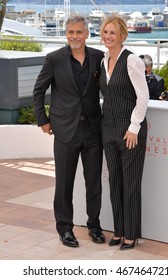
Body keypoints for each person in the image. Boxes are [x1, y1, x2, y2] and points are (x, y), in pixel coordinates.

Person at [33, 15, 105, 248]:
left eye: (79, 32)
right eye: (70, 32)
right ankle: (65, 228)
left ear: (86, 34)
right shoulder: (54, 59)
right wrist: (42, 120)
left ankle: (94, 225)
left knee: (94, 182)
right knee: (64, 183)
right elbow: (38, 91)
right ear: (66, 34)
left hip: (93, 130)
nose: (74, 36)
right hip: (65, 130)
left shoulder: (98, 57)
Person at [99, 16, 149, 250]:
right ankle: (119, 230)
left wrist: (134, 127)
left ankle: (131, 233)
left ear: (122, 35)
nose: (108, 36)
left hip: (129, 131)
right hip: (107, 128)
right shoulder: (103, 60)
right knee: (115, 182)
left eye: (112, 33)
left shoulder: (132, 61)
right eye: (105, 32)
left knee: (130, 183)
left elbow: (143, 97)